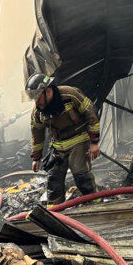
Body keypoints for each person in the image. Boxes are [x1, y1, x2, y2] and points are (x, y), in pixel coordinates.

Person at [26, 73, 101, 205]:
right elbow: (37, 134)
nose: (36, 102)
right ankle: (54, 210)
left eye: (38, 97)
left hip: (79, 139)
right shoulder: (38, 112)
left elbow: (91, 115)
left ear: (48, 91)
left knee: (80, 174)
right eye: (34, 98)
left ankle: (96, 203)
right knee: (53, 178)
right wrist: (36, 158)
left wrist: (94, 143)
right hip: (58, 145)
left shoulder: (70, 95)